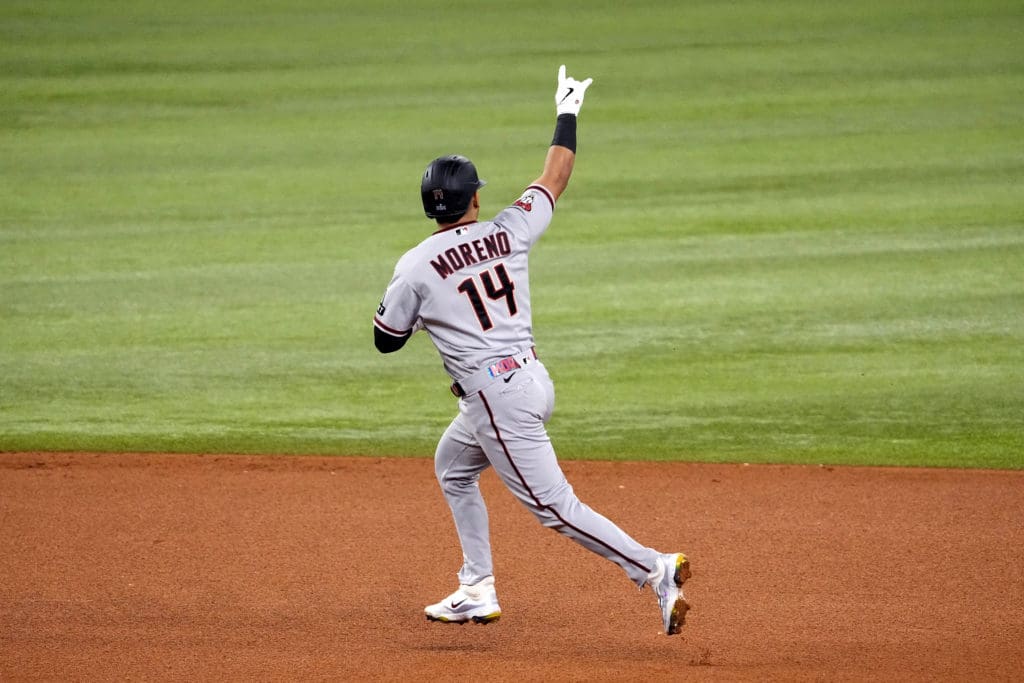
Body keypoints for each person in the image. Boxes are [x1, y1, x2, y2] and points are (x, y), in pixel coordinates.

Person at [373, 65, 691, 636]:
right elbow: (556, 174)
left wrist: (425, 317)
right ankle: (476, 588)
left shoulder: (415, 266)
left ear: (429, 206)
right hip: (532, 381)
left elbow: (384, 340)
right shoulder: (509, 228)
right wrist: (567, 107)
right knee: (452, 468)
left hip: (498, 398)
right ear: (474, 198)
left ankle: (654, 569)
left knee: (554, 507)